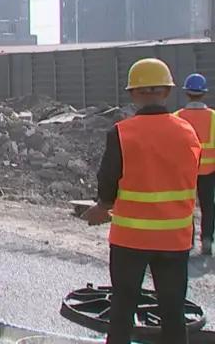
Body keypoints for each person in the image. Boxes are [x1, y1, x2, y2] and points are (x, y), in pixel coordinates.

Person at [82, 58, 201, 344]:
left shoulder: (122, 133)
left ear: (133, 93)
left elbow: (108, 177)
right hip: (175, 239)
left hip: (130, 239)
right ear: (167, 91)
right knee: (173, 312)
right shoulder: (187, 133)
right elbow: (191, 175)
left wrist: (102, 206)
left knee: (123, 308)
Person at [176, 72, 215, 255]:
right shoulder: (214, 118)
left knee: (187, 206)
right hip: (209, 171)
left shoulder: (177, 117)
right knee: (208, 206)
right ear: (204, 93)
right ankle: (207, 242)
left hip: (186, 172)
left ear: (186, 93)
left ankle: (188, 242)